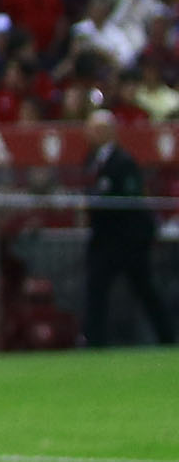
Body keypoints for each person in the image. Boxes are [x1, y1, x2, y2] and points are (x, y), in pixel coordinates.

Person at [80, 109, 172, 346]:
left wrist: (96, 201)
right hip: (105, 240)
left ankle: (168, 337)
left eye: (91, 128)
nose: (86, 133)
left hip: (127, 241)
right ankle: (95, 341)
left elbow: (128, 199)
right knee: (96, 290)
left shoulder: (123, 161)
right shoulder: (92, 160)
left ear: (104, 131)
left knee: (145, 289)